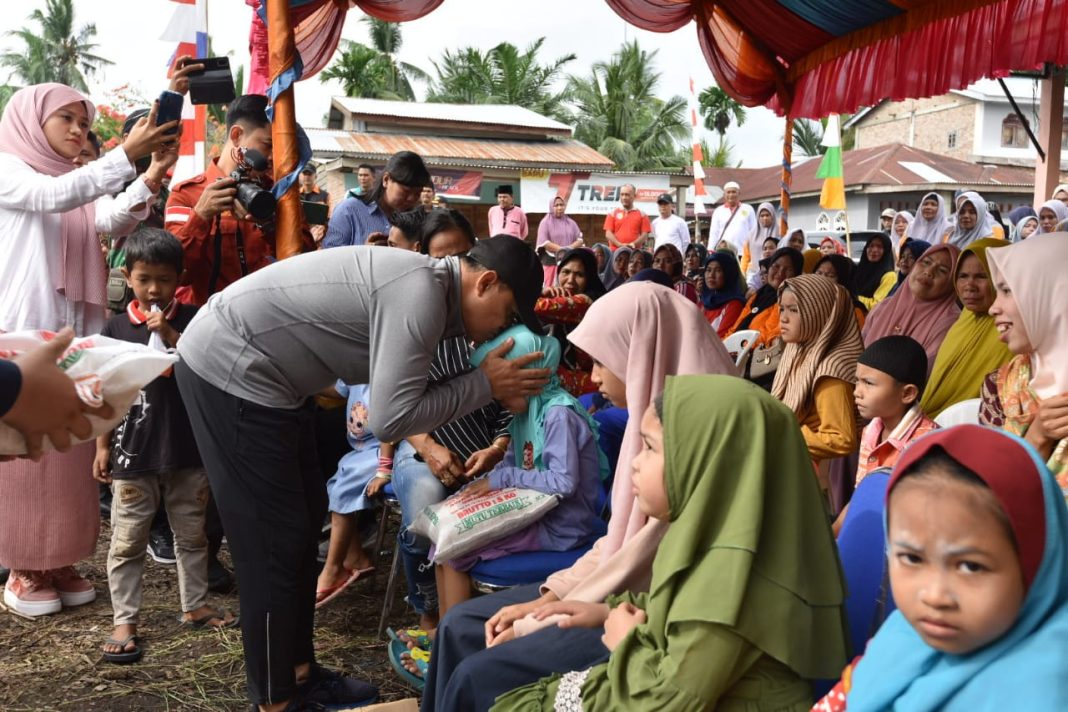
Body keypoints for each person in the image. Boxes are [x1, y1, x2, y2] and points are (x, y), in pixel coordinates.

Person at [175, 237, 550, 711]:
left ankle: (299, 675)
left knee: (302, 522)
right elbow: (389, 420)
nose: (503, 329)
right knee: (273, 543)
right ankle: (275, 702)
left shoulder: (436, 297)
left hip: (275, 382)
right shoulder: (422, 294)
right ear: (486, 283)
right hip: (232, 366)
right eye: (509, 314)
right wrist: (485, 384)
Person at [421, 283, 735, 712]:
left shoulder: (700, 438)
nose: (593, 378)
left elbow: (651, 591)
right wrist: (550, 598)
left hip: (634, 616)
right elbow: (620, 546)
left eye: (604, 362)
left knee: (481, 672)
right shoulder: (652, 429)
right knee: (458, 625)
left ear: (643, 356)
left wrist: (546, 613)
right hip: (615, 597)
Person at [492, 376, 850, 711]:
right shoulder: (716, 539)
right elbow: (681, 611)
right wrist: (607, 610)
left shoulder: (733, 581)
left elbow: (668, 700)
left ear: (710, 465)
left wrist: (624, 642)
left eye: (649, 448)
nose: (633, 463)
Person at [0, 83, 175, 618]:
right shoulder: (10, 168)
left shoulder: (73, 180)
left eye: (84, 121)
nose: (79, 131)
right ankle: (23, 568)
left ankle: (60, 561)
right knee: (27, 457)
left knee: (71, 453)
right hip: (22, 334)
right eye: (67, 120)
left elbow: (105, 221)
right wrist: (126, 154)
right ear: (33, 122)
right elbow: (51, 198)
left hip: (72, 334)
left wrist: (149, 177)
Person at [816, 425, 1068, 711]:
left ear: (1037, 566)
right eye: (912, 558)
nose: (934, 596)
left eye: (971, 566)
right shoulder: (900, 638)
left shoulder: (1044, 692)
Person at [90, 228, 236, 661]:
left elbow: (207, 370)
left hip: (189, 452)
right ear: (127, 277)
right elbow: (105, 393)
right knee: (127, 540)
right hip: (133, 454)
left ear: (180, 277)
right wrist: (102, 447)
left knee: (192, 537)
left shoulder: (193, 322)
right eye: (144, 278)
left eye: (165, 279)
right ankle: (125, 619)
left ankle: (194, 606)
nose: (154, 289)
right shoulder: (115, 328)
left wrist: (171, 333)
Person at [432, 326, 607, 619]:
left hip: (561, 527)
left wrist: (500, 479)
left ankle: (451, 639)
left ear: (530, 379)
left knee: (455, 551)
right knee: (442, 542)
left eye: (501, 384)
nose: (494, 394)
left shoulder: (558, 415)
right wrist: (476, 489)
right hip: (535, 515)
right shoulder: (525, 415)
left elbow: (562, 482)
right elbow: (511, 464)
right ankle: (441, 630)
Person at [165, 95, 312, 305]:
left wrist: (270, 224)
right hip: (208, 322)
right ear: (236, 135)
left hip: (268, 318)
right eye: (268, 144)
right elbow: (175, 273)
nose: (273, 157)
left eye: (280, 148)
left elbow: (305, 261)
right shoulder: (187, 194)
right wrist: (201, 216)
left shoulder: (281, 194)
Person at [980, 234, 1068, 496]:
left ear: (1055, 293)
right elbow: (990, 495)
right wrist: (1038, 437)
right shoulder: (1000, 386)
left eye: (1007, 290)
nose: (993, 308)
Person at [831, 335, 937, 535]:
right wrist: (834, 532)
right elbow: (861, 496)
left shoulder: (927, 444)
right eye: (857, 381)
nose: (857, 392)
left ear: (907, 394)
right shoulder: (872, 430)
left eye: (869, 383)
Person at [772, 274, 863, 475]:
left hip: (809, 471)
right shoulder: (799, 347)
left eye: (794, 310)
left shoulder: (831, 368)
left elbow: (841, 438)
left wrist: (781, 436)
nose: (783, 318)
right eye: (782, 309)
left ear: (819, 313)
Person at [919, 239, 1012, 418]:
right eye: (962, 276)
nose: (969, 286)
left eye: (982, 276)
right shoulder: (964, 320)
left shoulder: (1012, 331)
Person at [313, 381, 386, 607]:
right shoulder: (356, 368)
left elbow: (395, 421)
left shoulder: (389, 370)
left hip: (381, 451)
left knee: (343, 489)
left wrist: (385, 468)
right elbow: (336, 390)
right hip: (359, 449)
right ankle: (355, 556)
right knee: (334, 486)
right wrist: (306, 384)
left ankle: (333, 569)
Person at [863, 243, 961, 376]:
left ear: (953, 282)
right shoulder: (883, 308)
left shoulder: (950, 323)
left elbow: (924, 374)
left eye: (942, 270)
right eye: (926, 262)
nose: (929, 272)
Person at [535, 249, 606, 396]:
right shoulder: (561, 296)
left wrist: (541, 293)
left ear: (590, 277)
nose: (570, 280)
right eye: (565, 272)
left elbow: (536, 307)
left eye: (579, 275)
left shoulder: (587, 301)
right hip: (574, 372)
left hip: (594, 378)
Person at [323, 150, 428, 249]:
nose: (411, 199)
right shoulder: (349, 210)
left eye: (417, 193)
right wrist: (364, 252)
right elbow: (330, 256)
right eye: (406, 191)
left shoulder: (418, 221)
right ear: (386, 180)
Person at [725, 246, 803, 348]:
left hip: (754, 357)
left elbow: (768, 336)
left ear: (796, 275)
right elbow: (736, 326)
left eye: (788, 269)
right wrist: (725, 344)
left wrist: (738, 347)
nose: (780, 273)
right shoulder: (759, 294)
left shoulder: (790, 302)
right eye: (776, 266)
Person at [709, 180, 757, 267]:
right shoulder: (718, 211)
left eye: (734, 192)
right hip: (723, 251)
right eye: (728, 192)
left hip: (743, 253)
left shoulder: (748, 209)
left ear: (739, 193)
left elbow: (754, 231)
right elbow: (714, 233)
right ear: (724, 195)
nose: (731, 195)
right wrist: (711, 250)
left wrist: (753, 251)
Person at [536, 197, 582, 286]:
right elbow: (545, 243)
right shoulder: (545, 222)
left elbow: (579, 240)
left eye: (561, 205)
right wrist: (561, 250)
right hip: (550, 260)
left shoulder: (571, 222)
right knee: (550, 287)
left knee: (566, 285)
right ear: (551, 207)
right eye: (556, 205)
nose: (559, 208)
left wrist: (568, 249)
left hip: (568, 259)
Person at [700, 251, 746, 337]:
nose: (711, 275)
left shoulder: (734, 305)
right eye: (708, 270)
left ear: (728, 274)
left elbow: (721, 338)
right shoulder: (703, 302)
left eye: (718, 270)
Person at [814, 254, 867, 326]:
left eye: (830, 275)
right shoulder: (805, 302)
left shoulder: (854, 312)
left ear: (843, 281)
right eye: (819, 273)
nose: (822, 278)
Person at [853, 233, 896, 310]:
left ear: (886, 250)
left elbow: (877, 305)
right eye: (871, 246)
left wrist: (853, 297)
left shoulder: (889, 276)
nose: (874, 250)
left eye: (879, 247)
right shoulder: (859, 270)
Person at [602, 184, 651, 249]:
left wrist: (633, 244)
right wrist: (619, 245)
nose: (624, 197)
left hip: (634, 253)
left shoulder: (643, 215)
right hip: (615, 252)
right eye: (622, 194)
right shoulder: (612, 214)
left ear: (634, 196)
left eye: (627, 195)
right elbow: (608, 233)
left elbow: (645, 235)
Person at [299, 164, 330, 245]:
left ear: (315, 176)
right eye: (305, 174)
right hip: (299, 238)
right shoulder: (295, 196)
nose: (307, 176)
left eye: (310, 174)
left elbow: (329, 219)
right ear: (300, 175)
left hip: (318, 241)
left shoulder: (325, 195)